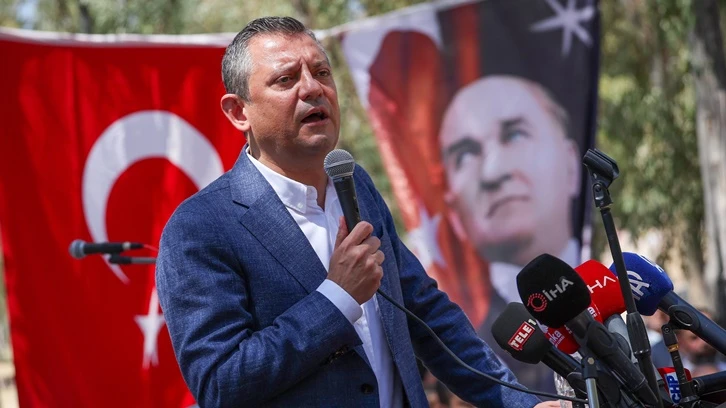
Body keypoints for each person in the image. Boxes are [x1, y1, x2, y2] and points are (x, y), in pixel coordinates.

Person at [155, 16, 560, 408]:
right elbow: (221, 382)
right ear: (238, 111)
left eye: (322, 73)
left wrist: (520, 403)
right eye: (286, 79)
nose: (312, 88)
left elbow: (425, 313)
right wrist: (337, 297)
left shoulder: (355, 185)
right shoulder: (201, 228)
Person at [438, 75, 581, 390]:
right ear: (454, 215)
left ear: (571, 164)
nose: (493, 172)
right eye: (465, 155)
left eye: (515, 135)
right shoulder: (470, 354)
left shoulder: (625, 304)